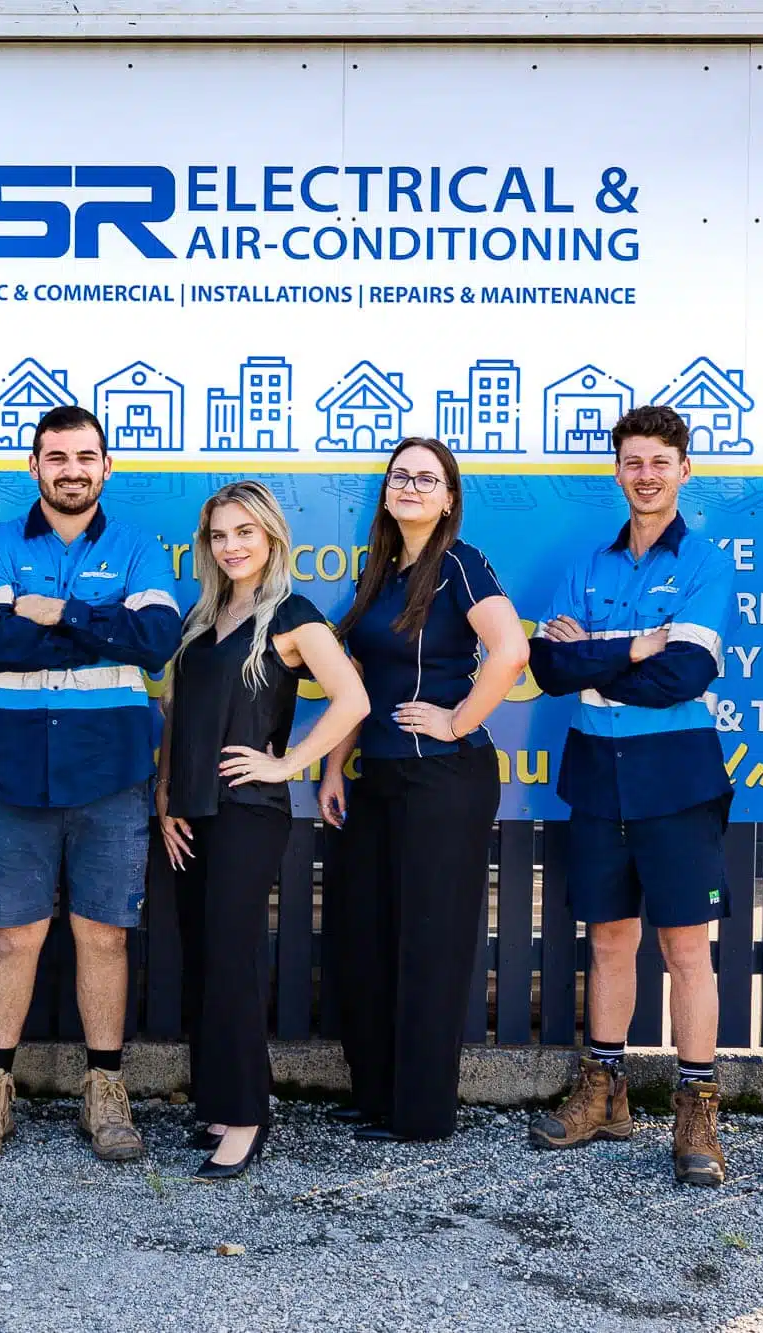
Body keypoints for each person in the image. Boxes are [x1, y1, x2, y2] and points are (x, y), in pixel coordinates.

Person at [0, 404, 182, 1165]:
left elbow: (154, 642)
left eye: (86, 457)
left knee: (103, 937)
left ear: (106, 466)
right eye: (57, 457)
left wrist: (61, 610)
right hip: (17, 774)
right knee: (13, 938)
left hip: (112, 776)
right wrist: (99, 621)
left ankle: (105, 1090)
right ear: (35, 466)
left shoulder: (139, 547)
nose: (72, 469)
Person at [525, 405, 736, 1186]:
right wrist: (636, 645)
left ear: (685, 470)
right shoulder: (588, 565)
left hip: (677, 775)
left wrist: (598, 655)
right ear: (617, 471)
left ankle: (696, 1106)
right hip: (596, 771)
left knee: (687, 949)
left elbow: (684, 675)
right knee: (609, 939)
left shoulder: (708, 565)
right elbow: (548, 669)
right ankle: (605, 1090)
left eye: (660, 461)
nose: (645, 475)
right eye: (632, 461)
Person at [317, 437, 528, 1142]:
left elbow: (511, 650)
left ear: (448, 499)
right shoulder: (377, 571)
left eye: (426, 478)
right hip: (377, 778)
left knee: (428, 947)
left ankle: (421, 1112)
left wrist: (458, 718)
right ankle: (377, 1093)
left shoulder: (459, 566)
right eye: (400, 475)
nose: (410, 485)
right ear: (385, 492)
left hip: (444, 779)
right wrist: (330, 765)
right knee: (366, 937)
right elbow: (358, 681)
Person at [158, 482, 369, 1179]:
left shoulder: (292, 614)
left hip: (248, 813)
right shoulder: (204, 616)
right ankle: (219, 1101)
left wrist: (286, 764)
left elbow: (354, 698)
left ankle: (247, 1116)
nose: (232, 545)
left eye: (245, 531)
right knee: (203, 962)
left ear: (272, 537)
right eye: (220, 534)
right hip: (190, 814)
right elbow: (178, 720)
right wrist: (166, 799)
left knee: (230, 961)